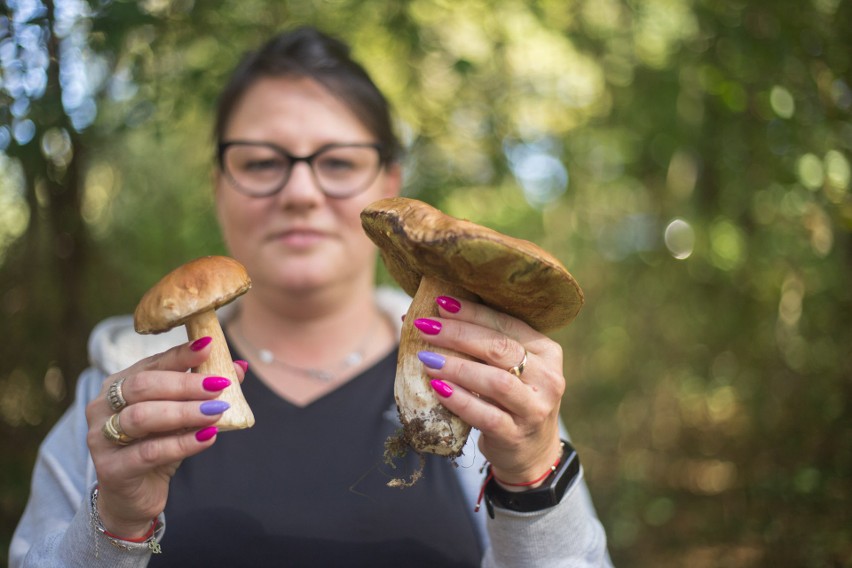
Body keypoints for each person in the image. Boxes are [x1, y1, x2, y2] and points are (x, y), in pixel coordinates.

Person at [10, 26, 612, 567]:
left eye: (338, 162)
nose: (300, 191)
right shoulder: (119, 392)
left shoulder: (486, 386)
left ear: (390, 185)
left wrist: (534, 479)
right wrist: (111, 527)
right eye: (262, 162)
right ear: (219, 187)